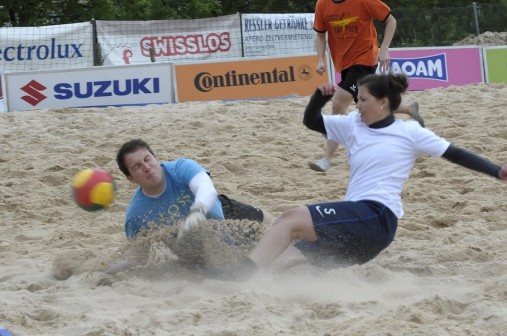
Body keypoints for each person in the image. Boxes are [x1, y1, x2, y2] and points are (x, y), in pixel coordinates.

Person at [217, 73, 507, 281]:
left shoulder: (409, 132)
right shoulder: (353, 125)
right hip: (353, 236)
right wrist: (319, 98)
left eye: (363, 99)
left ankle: (238, 278)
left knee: (290, 218)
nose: (357, 104)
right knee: (286, 256)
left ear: (383, 102)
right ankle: (225, 273)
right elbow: (312, 121)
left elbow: (455, 153)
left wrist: (497, 171)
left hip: (376, 217)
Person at [106, 138, 268, 273]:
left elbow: (206, 188)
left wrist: (198, 211)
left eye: (147, 159)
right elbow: (139, 258)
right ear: (130, 178)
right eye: (137, 166)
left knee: (271, 226)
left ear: (157, 158)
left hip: (226, 217)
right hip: (198, 251)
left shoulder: (180, 168)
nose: (146, 167)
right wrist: (110, 268)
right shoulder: (136, 215)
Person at [309, 0, 425, 172]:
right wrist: (320, 59)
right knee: (366, 106)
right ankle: (407, 108)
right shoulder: (322, 4)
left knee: (339, 103)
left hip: (365, 58)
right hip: (344, 63)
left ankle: (327, 159)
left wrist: (384, 49)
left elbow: (391, 21)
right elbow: (320, 34)